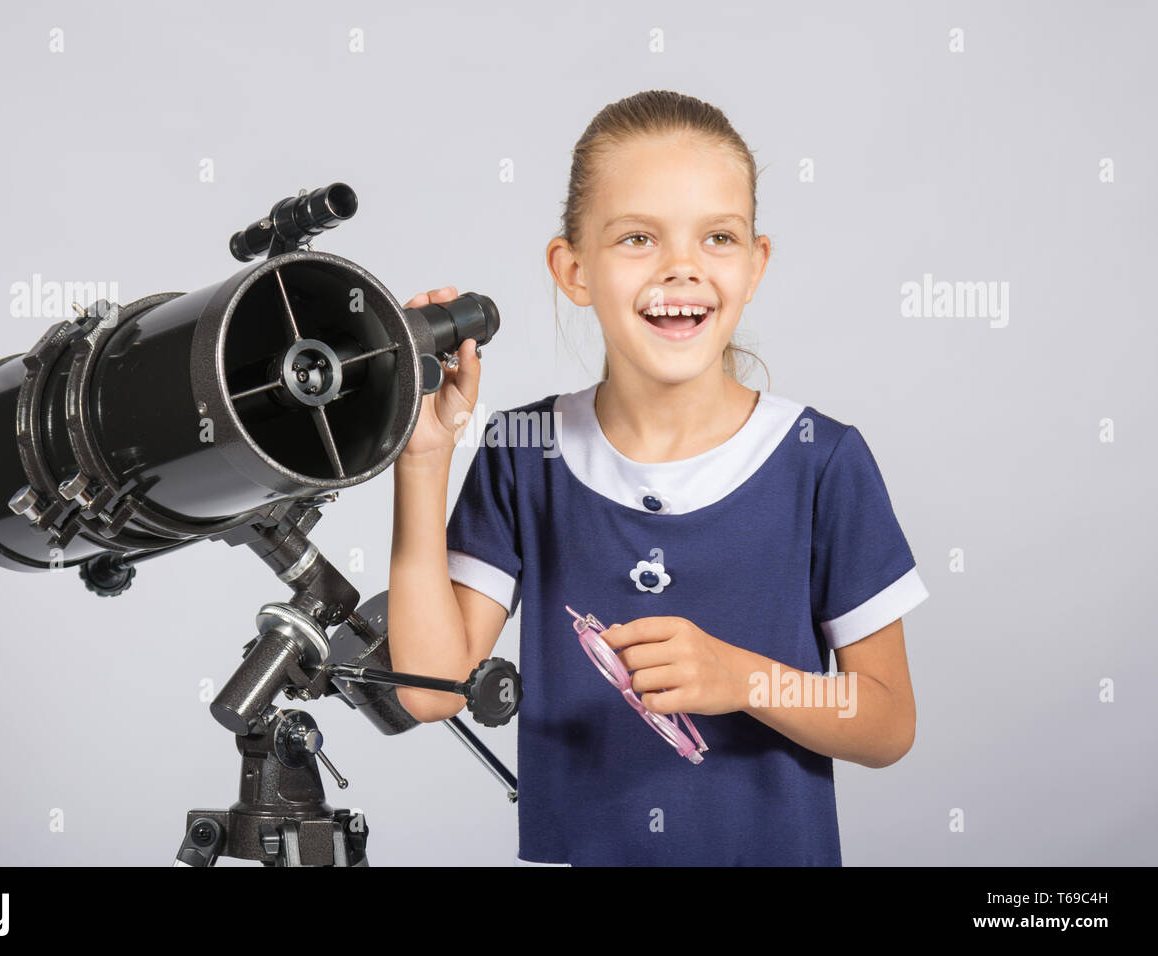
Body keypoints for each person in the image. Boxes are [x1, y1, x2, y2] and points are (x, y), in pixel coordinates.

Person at [386, 89, 928, 866]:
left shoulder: (821, 459)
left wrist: (742, 678)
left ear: (756, 263)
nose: (682, 267)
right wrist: (424, 458)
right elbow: (431, 689)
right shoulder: (521, 450)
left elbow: (887, 723)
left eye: (718, 237)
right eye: (638, 237)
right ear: (572, 269)